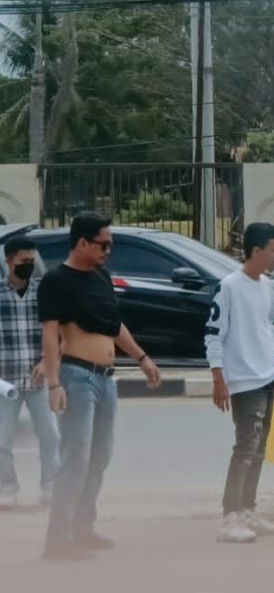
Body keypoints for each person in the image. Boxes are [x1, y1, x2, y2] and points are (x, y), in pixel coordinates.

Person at [38, 213, 161, 561]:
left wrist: (142, 358)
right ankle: (57, 540)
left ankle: (83, 527)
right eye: (103, 244)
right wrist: (53, 382)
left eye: (111, 245)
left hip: (106, 379)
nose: (109, 251)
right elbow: (50, 332)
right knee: (75, 459)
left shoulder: (100, 276)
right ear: (82, 243)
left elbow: (114, 324)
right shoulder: (56, 280)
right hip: (77, 377)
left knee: (99, 457)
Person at [206, 223, 274, 544]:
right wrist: (218, 377)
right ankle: (231, 516)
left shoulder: (266, 285)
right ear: (256, 252)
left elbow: (273, 322)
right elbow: (213, 334)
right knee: (245, 448)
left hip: (268, 375)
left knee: (260, 448)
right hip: (244, 380)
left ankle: (248, 509)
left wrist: (268, 344)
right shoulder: (229, 287)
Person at [0, 236, 59, 509]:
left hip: (38, 377)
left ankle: (51, 486)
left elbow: (55, 332)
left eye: (32, 261)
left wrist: (47, 361)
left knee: (50, 435)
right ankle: (7, 488)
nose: (29, 266)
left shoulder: (43, 292)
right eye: (24, 261)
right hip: (5, 379)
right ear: (8, 261)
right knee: (2, 440)